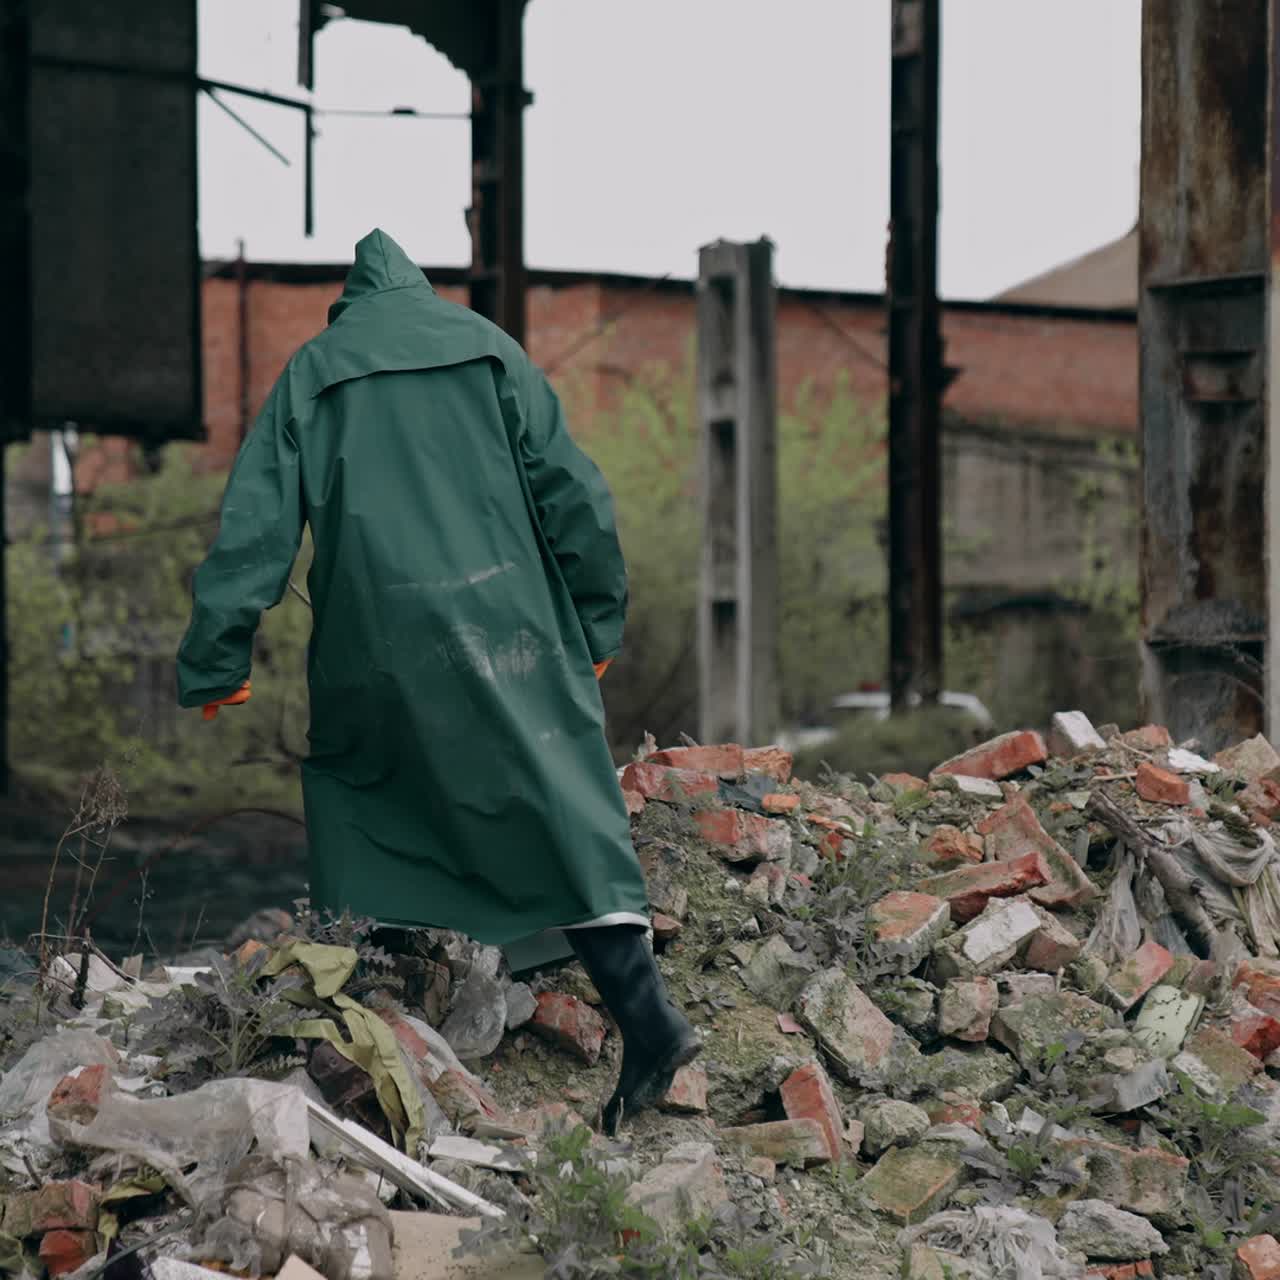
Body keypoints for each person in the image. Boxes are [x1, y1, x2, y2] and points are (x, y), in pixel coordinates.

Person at [176, 228, 699, 1131]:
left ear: (353, 305)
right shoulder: (491, 350)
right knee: (558, 799)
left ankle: (390, 1048)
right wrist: (595, 620)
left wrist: (218, 655)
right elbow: (575, 494)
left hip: (378, 637)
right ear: (420, 295)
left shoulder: (318, 369)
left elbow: (255, 523)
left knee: (366, 804)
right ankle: (647, 1019)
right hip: (517, 627)